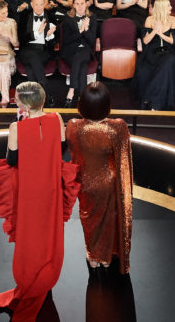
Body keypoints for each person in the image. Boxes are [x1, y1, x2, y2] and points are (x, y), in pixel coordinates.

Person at [0, 82, 80, 320]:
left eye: (16, 99)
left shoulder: (15, 127)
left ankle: (31, 277)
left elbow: (11, 160)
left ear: (23, 103)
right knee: (48, 229)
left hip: (28, 190)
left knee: (29, 233)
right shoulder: (58, 119)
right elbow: (62, 150)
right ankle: (45, 271)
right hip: (50, 187)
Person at [66, 82, 133, 272]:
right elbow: (123, 158)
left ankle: (93, 255)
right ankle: (106, 257)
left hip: (85, 182)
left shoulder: (73, 126)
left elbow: (74, 153)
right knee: (110, 219)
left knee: (89, 219)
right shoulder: (117, 128)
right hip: (109, 182)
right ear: (107, 104)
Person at [135, 0, 175, 110]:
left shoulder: (172, 20)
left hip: (168, 50)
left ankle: (151, 100)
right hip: (152, 51)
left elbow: (172, 41)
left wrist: (161, 34)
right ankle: (154, 101)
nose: (171, 8)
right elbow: (145, 41)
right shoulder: (149, 20)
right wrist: (155, 30)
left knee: (168, 61)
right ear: (162, 8)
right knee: (160, 66)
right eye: (168, 6)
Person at [60, 0, 98, 103]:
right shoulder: (68, 18)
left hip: (86, 50)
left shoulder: (92, 17)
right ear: (74, 5)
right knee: (82, 66)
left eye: (82, 3)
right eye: (77, 4)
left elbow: (91, 41)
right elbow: (67, 40)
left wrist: (86, 29)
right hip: (70, 51)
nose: (80, 6)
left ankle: (71, 90)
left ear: (86, 4)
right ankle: (83, 97)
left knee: (79, 57)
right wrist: (80, 30)